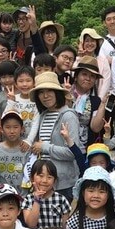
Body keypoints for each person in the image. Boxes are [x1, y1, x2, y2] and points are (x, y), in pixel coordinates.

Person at [29, 71, 81, 201]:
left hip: (63, 184)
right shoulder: (43, 115)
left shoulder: (68, 115)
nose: (45, 96)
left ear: (57, 93)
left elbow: (72, 152)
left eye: (49, 91)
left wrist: (45, 147)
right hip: (44, 182)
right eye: (41, 92)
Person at [21, 159, 71, 229]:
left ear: (55, 180)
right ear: (31, 178)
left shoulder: (61, 199)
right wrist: (37, 200)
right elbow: (31, 224)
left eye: (49, 177)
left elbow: (65, 227)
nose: (45, 180)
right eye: (40, 176)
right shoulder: (28, 199)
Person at [0, 110, 29, 192]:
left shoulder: (26, 149)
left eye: (15, 127)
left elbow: (29, 175)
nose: (12, 131)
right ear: (1, 129)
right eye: (8, 127)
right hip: (3, 195)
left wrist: (24, 195)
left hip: (23, 196)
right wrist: (0, 193)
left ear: (22, 129)